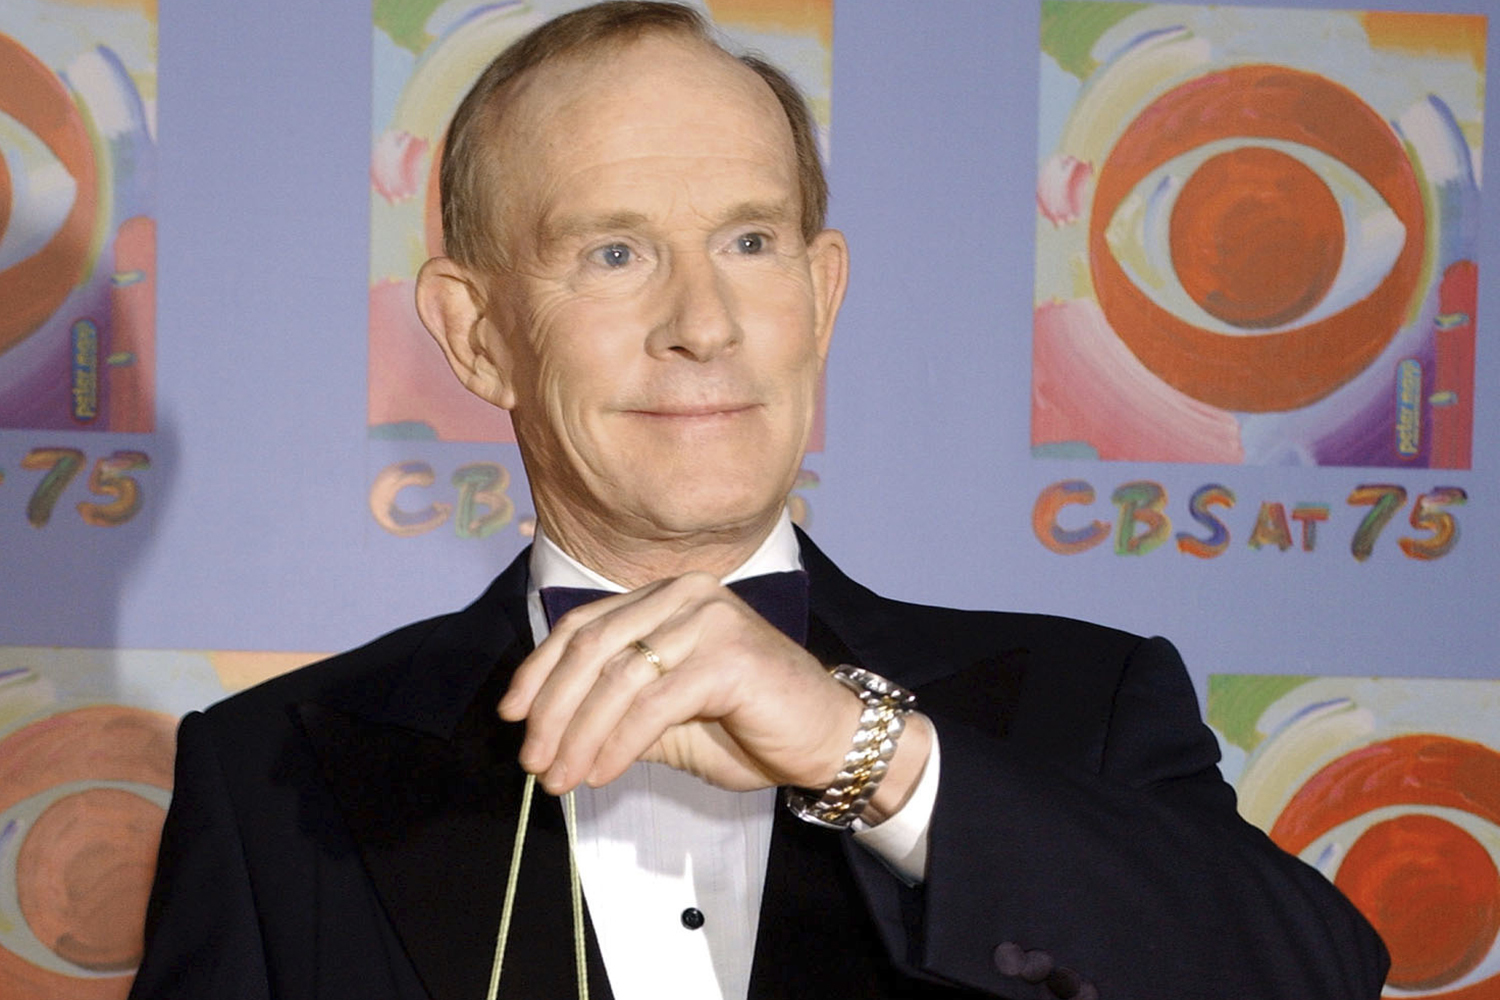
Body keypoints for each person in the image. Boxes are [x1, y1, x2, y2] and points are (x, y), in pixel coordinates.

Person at [130, 4, 1388, 998]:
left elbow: (1315, 978)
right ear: (477, 337)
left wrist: (870, 757)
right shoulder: (271, 779)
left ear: (822, 294)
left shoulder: (1080, 708)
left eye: (749, 241)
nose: (703, 325)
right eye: (614, 253)